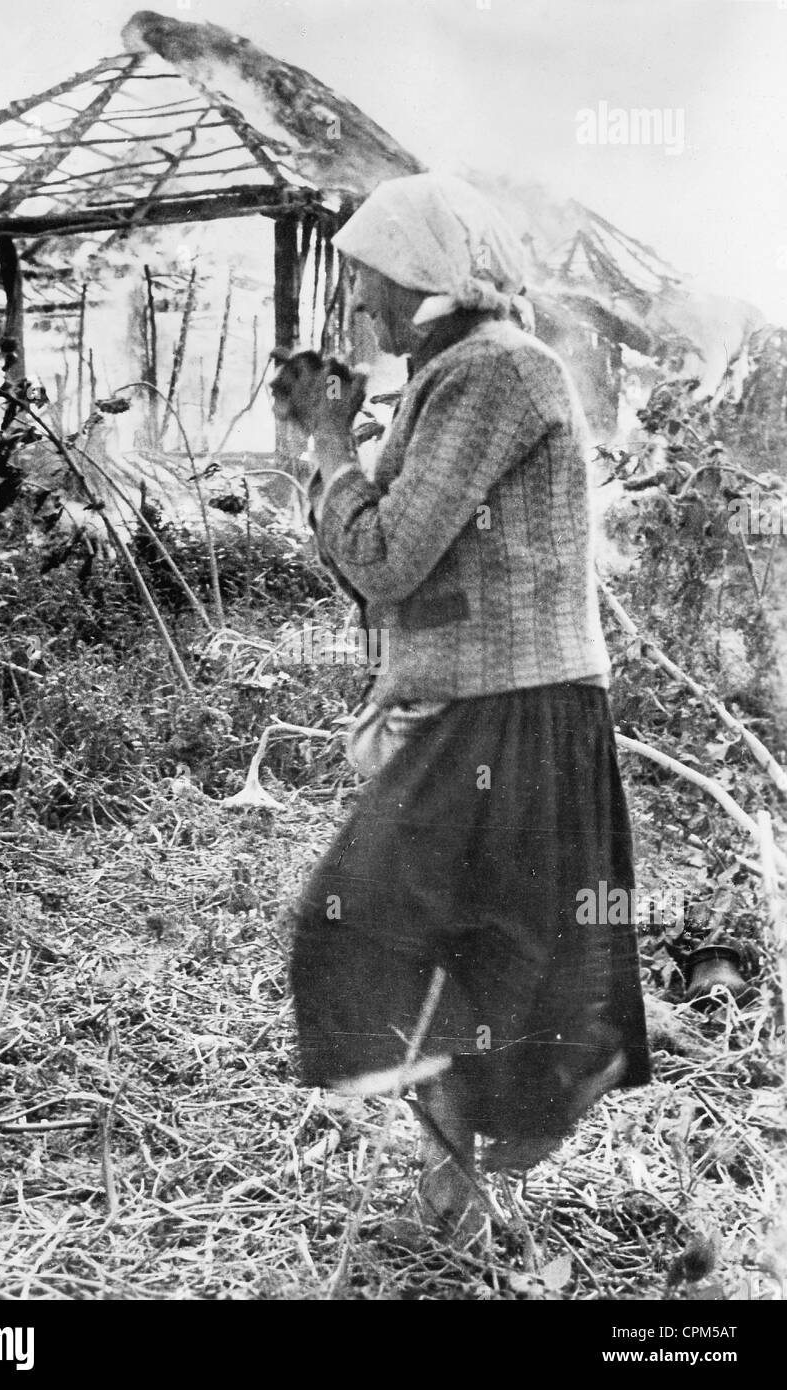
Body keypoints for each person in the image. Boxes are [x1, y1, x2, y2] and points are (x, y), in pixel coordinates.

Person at [275, 173, 651, 1241]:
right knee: (443, 946)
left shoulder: (492, 375)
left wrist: (331, 446)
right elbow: (376, 564)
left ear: (426, 283)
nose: (356, 310)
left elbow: (384, 558)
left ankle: (474, 1184)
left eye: (368, 285)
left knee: (384, 929)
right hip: (483, 708)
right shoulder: (455, 377)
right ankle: (456, 1192)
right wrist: (343, 449)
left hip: (514, 712)